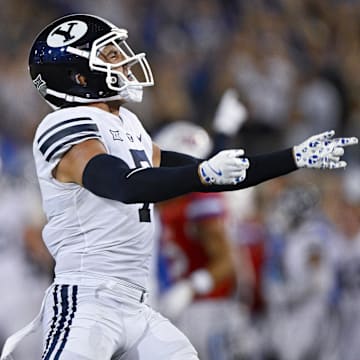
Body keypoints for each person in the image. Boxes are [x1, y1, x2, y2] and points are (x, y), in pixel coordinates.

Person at [0, 13, 357, 360]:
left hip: (138, 304)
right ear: (78, 77)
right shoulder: (63, 124)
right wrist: (203, 175)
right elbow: (123, 184)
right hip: (88, 298)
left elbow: (217, 174)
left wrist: (293, 157)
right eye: (110, 55)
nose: (124, 60)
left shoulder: (127, 123)